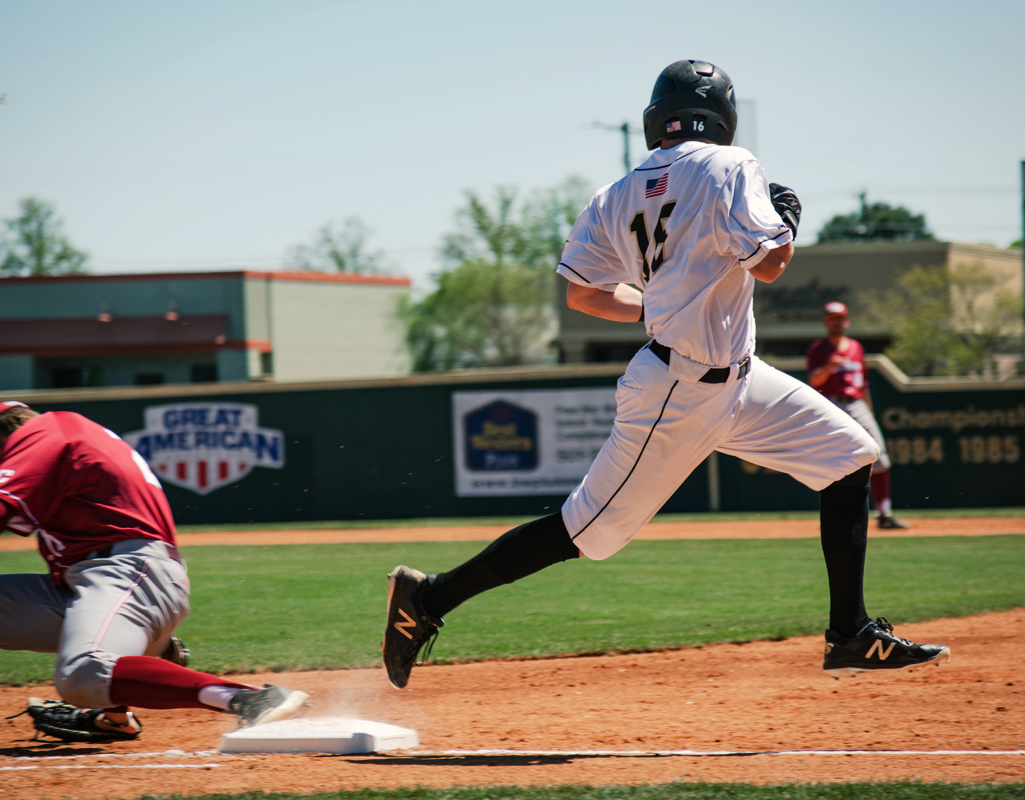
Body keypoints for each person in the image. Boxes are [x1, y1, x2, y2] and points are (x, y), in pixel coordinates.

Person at [382, 60, 948, 689]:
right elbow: (771, 266)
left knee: (850, 455)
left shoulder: (616, 192)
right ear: (723, 115)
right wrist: (787, 219)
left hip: (738, 379)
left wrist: (658, 302)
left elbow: (582, 294)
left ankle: (850, 632)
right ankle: (428, 598)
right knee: (588, 530)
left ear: (658, 119)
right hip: (678, 390)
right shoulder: (732, 165)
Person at [0, 401, 308, 742]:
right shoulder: (66, 438)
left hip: (132, 574)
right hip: (100, 582)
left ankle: (250, 699)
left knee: (82, 675)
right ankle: (118, 712)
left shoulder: (46, 432)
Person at [806, 302, 910, 529]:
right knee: (831, 460)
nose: (836, 321)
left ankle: (885, 514)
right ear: (825, 322)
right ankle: (835, 515)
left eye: (840, 317)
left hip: (857, 404)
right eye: (832, 318)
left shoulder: (855, 347)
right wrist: (828, 366)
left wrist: (869, 410)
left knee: (878, 456)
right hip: (831, 404)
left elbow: (863, 385)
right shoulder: (818, 349)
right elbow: (813, 382)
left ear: (847, 321)